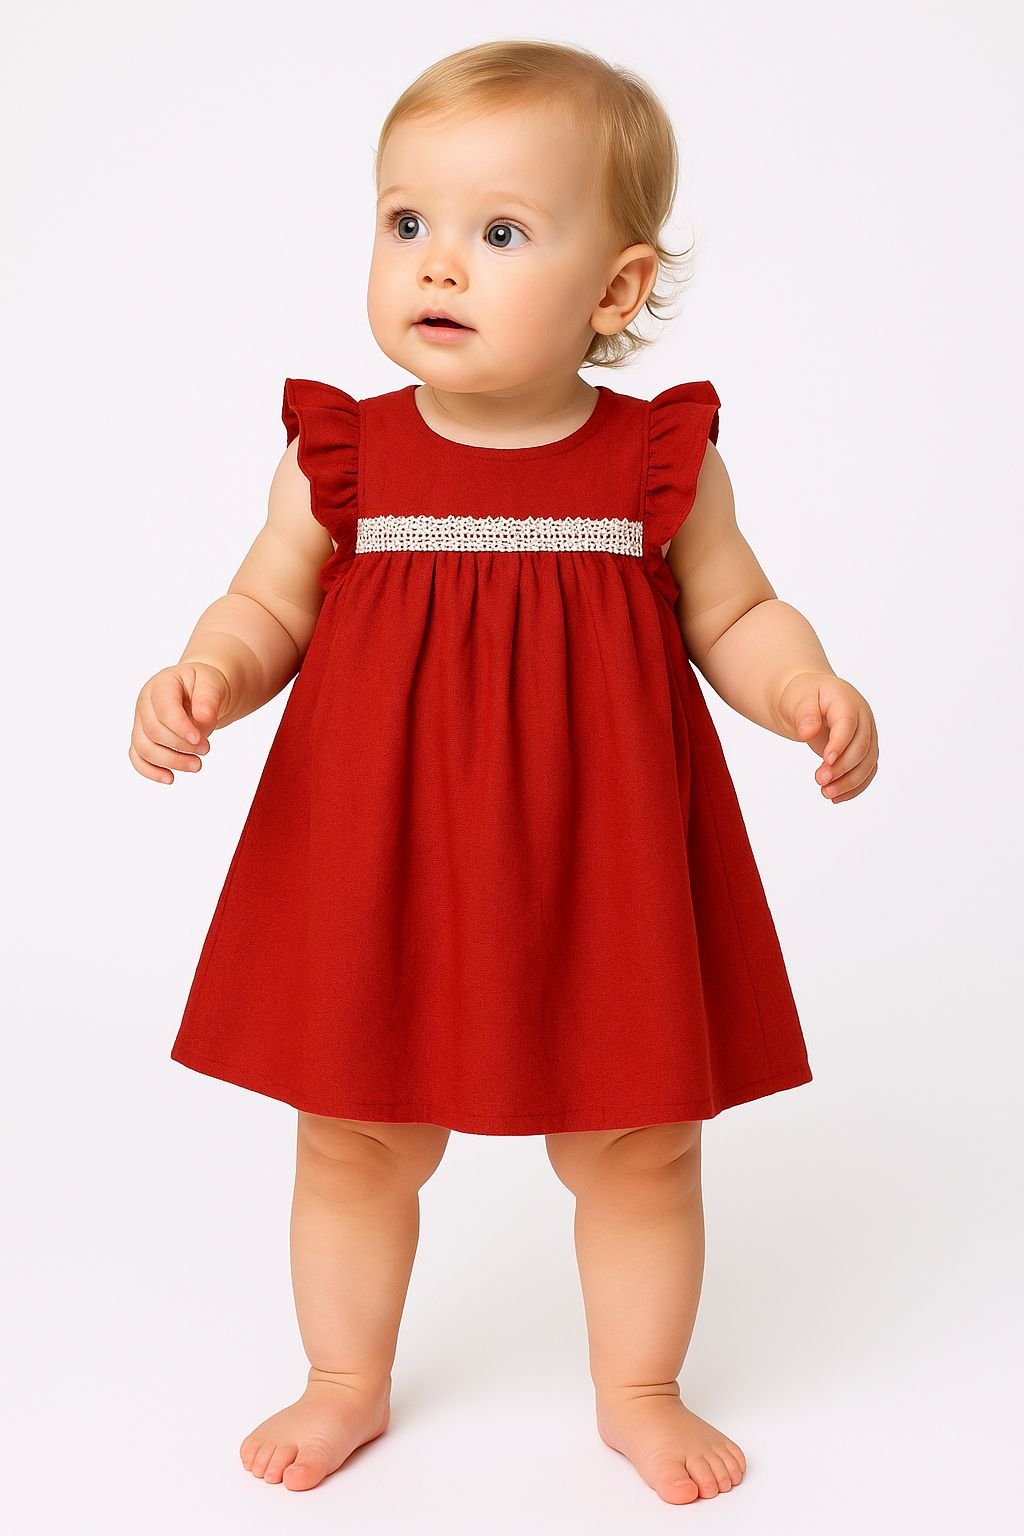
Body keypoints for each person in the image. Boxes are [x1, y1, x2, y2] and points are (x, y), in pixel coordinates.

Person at [129, 40, 879, 1504]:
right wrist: (207, 671)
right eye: (406, 221)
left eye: (501, 232)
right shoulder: (344, 457)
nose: (438, 263)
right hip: (384, 850)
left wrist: (803, 688)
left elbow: (734, 612)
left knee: (640, 1143)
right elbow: (269, 603)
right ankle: (343, 1378)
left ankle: (641, 1387)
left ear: (616, 289)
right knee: (353, 1133)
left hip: (602, 857)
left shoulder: (656, 464)